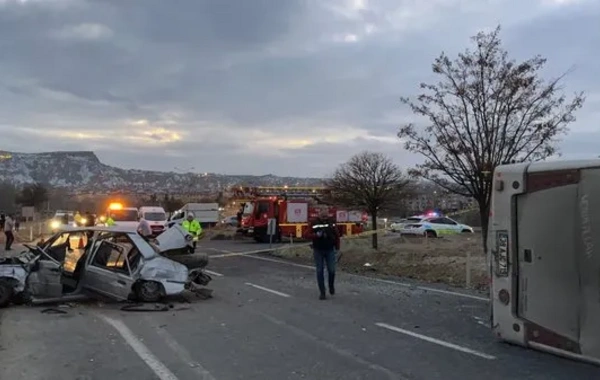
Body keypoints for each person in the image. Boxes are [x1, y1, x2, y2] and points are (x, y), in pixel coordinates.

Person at [304, 209, 340, 300]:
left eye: (326, 216)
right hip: (318, 250)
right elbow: (306, 234)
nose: (325, 218)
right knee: (319, 271)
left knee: (332, 270)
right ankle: (322, 292)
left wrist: (337, 248)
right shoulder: (313, 222)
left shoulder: (332, 222)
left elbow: (337, 235)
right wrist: (316, 235)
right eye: (323, 216)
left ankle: (331, 286)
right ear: (319, 215)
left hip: (330, 249)